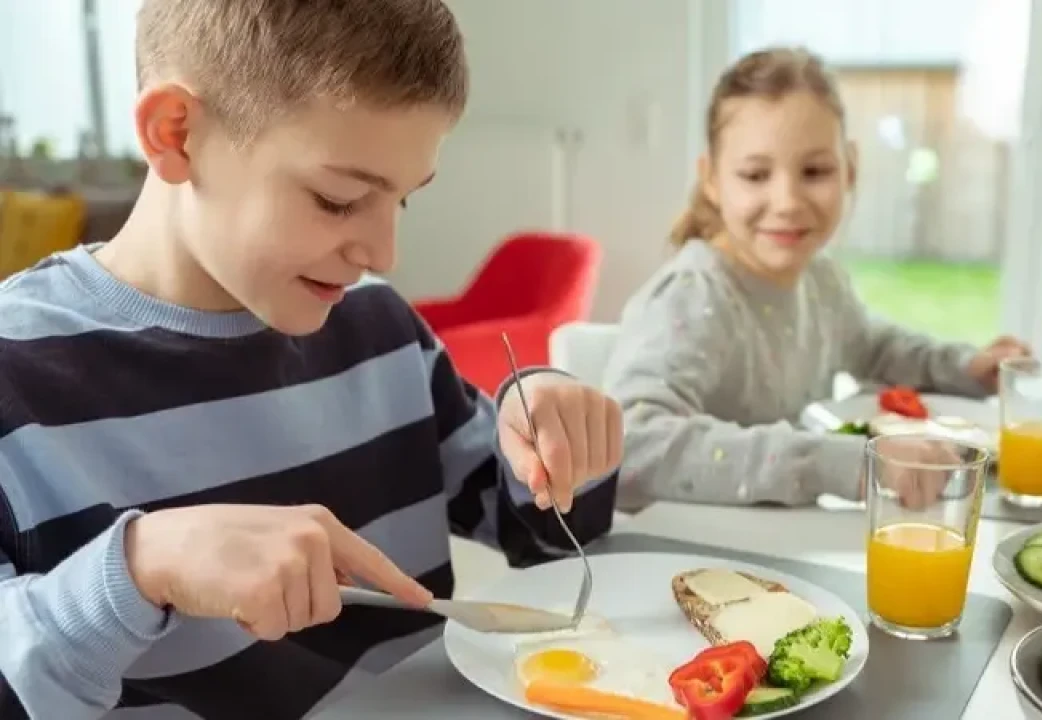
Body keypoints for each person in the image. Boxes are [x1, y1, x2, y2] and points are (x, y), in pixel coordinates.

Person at [0, 1, 622, 718]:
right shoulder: (18, 376)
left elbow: (540, 530)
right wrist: (139, 569)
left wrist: (556, 434)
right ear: (176, 134)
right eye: (339, 199)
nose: (383, 253)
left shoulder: (379, 328)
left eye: (402, 201)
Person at [602, 47, 1029, 512]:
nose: (787, 201)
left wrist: (967, 367)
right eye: (755, 175)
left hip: (786, 540)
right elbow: (633, 442)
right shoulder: (694, 295)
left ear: (850, 169)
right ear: (712, 180)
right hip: (692, 548)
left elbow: (876, 347)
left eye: (815, 171)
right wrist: (847, 465)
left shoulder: (821, 280)